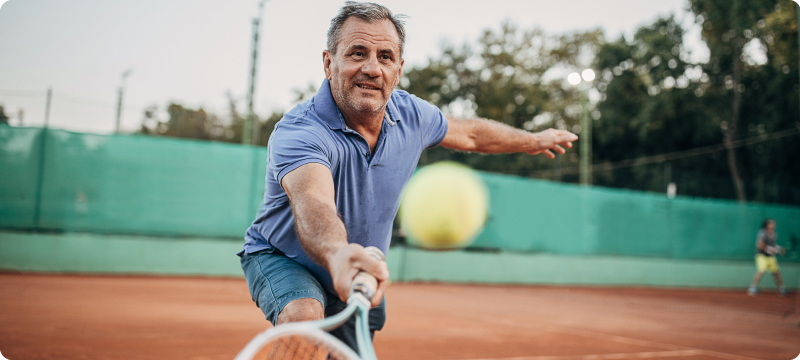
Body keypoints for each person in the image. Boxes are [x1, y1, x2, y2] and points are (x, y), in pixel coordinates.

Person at [237, 1, 578, 352]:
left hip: (362, 266)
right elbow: (313, 201)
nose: (372, 68)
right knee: (304, 317)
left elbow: (470, 134)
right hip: (285, 257)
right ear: (329, 63)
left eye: (385, 56)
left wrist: (533, 140)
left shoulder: (412, 114)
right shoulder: (300, 131)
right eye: (357, 53)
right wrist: (338, 254)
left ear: (398, 70)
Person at [747, 219, 787, 296]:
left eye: (773, 223)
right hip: (761, 255)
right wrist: (769, 249)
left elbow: (773, 244)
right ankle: (752, 287)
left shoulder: (774, 233)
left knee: (776, 272)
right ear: (767, 225)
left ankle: (782, 288)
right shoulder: (762, 233)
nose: (773, 224)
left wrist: (778, 249)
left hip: (770, 257)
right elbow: (759, 244)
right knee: (761, 271)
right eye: (771, 223)